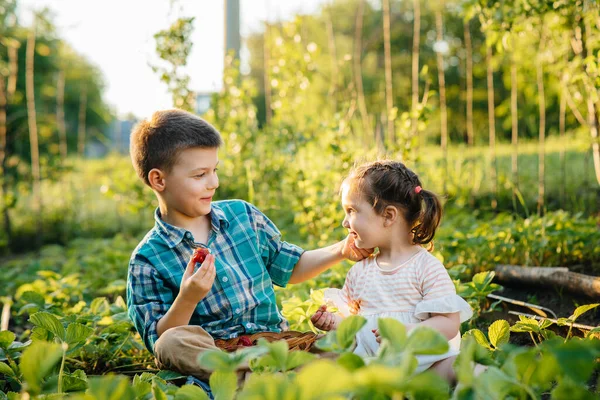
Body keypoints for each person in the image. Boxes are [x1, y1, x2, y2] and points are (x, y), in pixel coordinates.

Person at [125, 109, 372, 382]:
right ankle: (264, 379)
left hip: (277, 345)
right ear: (158, 180)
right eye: (200, 175)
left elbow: (290, 267)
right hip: (217, 353)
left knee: (350, 342)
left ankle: (258, 379)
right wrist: (189, 297)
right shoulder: (147, 260)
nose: (214, 183)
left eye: (214, 171)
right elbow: (159, 340)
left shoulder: (242, 216)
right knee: (172, 343)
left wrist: (341, 250)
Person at [310, 160, 473, 383]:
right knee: (322, 362)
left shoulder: (425, 267)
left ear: (388, 216)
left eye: (351, 211)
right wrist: (333, 322)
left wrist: (407, 332)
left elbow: (448, 323)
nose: (345, 222)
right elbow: (354, 326)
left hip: (424, 367)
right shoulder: (360, 272)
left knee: (462, 366)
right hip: (375, 366)